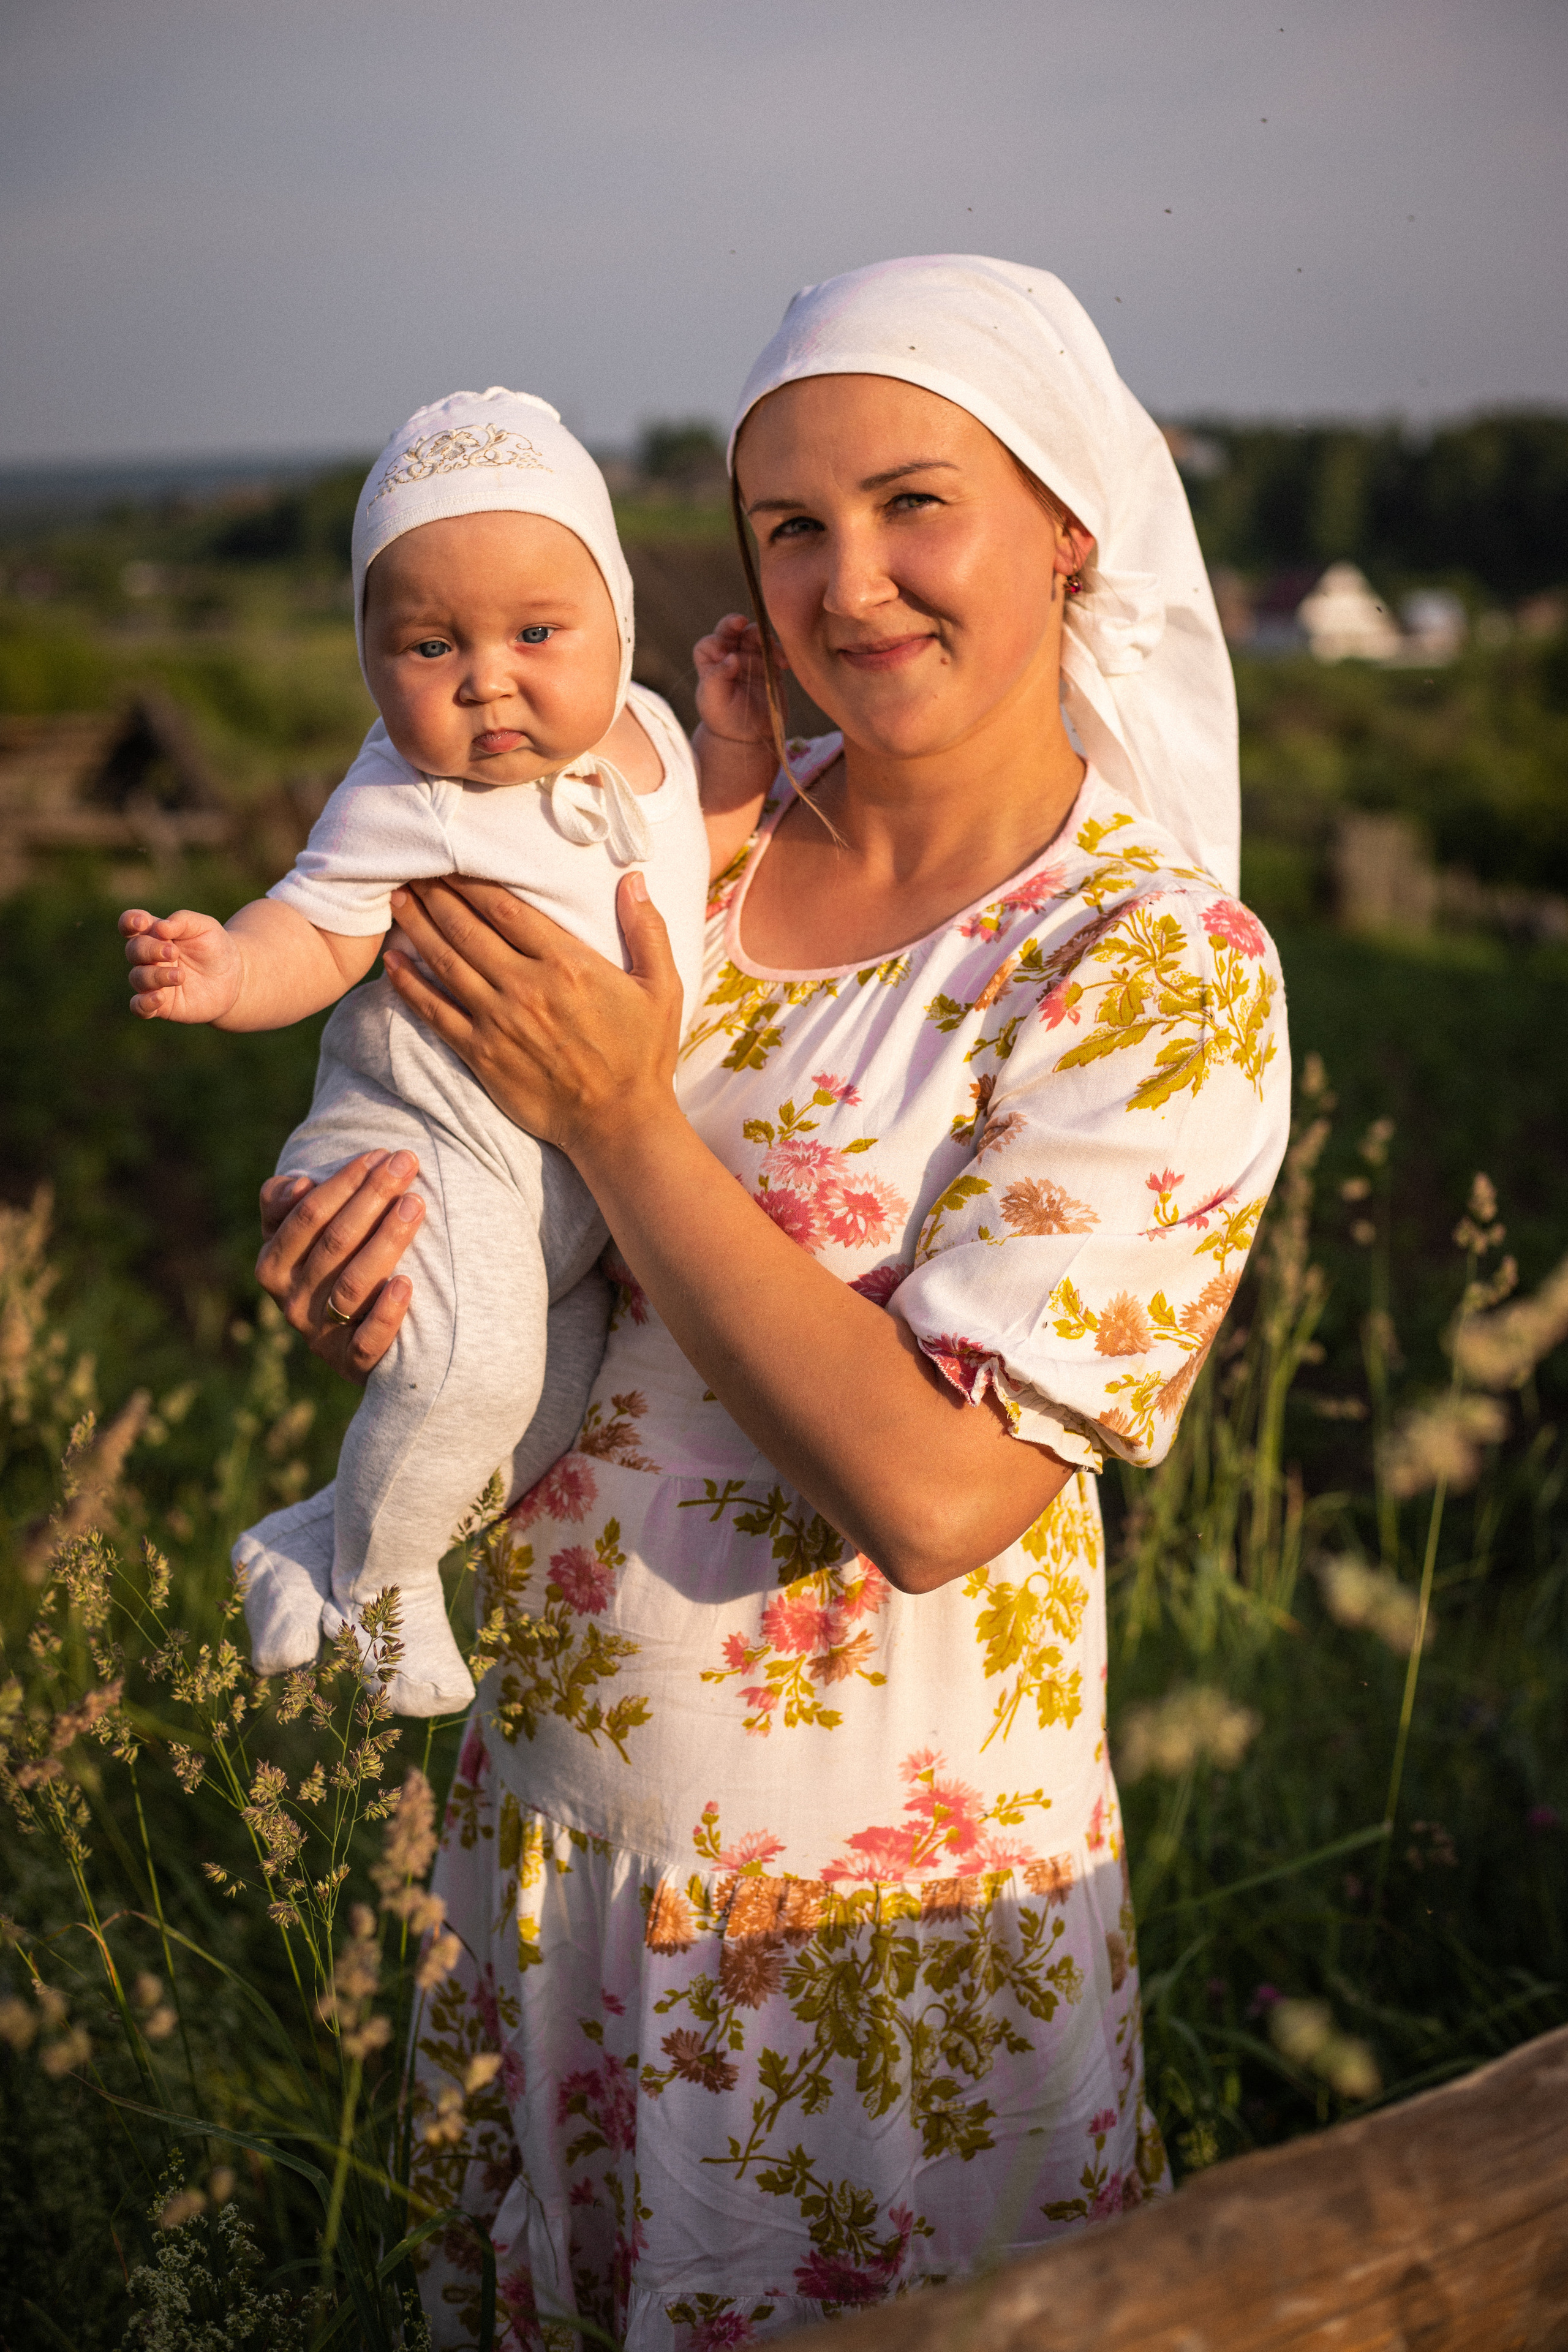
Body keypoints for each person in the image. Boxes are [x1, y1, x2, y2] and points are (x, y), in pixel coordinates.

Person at [254, 257, 1292, 2346]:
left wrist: (628, 1122)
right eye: (790, 527)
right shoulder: (676, 850)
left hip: (858, 1946)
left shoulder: (1152, 969)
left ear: (1070, 523)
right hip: (556, 1869)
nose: (853, 582)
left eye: (919, 507)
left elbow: (936, 1494)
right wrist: (362, 1233)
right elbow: (484, 1168)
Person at [118, 388, 729, 1714]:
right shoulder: (404, 794)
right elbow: (314, 927)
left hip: (568, 1207)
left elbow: (698, 848)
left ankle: (309, 1541)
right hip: (427, 1153)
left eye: (534, 633)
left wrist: (734, 729)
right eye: (428, 645)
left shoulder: (661, 742)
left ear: (617, 618)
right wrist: (226, 967)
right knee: (469, 1376)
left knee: (538, 1419)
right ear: (369, 658)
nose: (485, 678)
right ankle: (386, 1601)